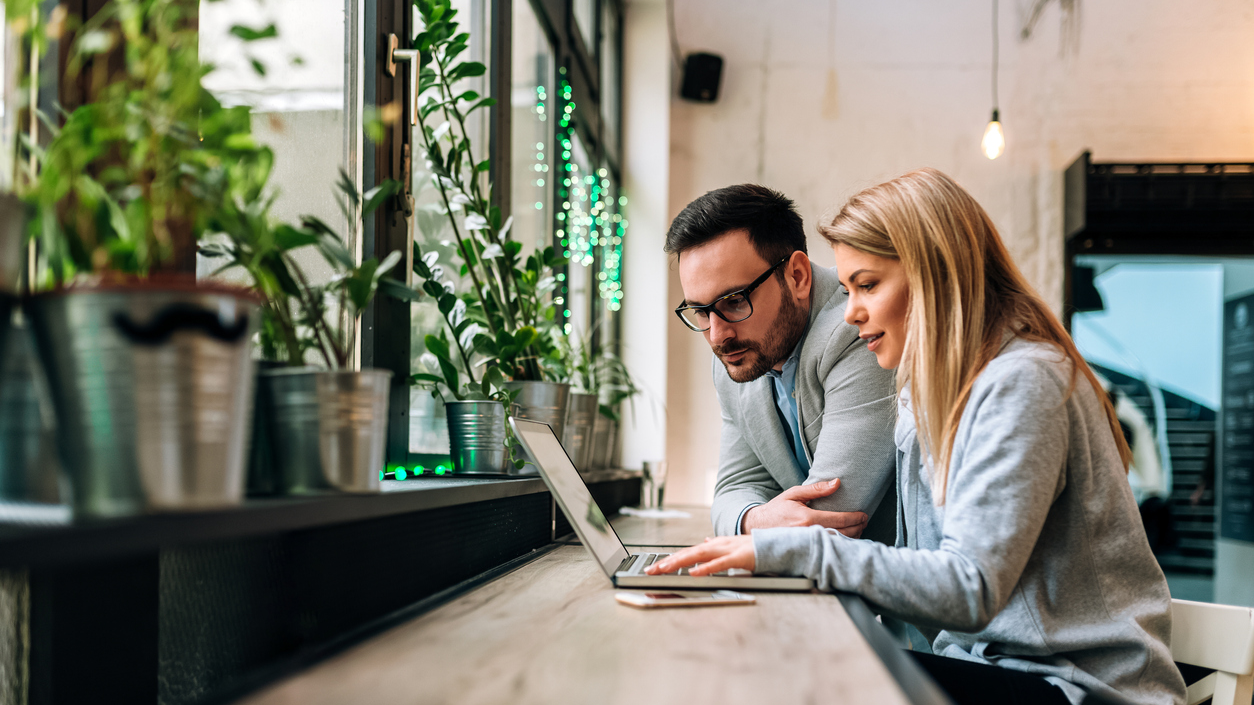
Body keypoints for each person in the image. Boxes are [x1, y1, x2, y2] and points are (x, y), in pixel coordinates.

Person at [650, 169, 1187, 705]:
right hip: (990, 667)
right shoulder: (930, 393)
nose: (851, 310)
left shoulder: (1023, 381)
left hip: (1078, 687)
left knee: (801, 675)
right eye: (848, 287)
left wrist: (789, 549)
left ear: (937, 277)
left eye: (867, 285)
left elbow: (969, 587)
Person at [666, 184, 898, 541]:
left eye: (734, 301)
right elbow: (733, 489)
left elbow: (831, 517)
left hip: (887, 584)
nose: (716, 336)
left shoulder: (861, 330)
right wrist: (754, 520)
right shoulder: (739, 356)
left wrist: (754, 524)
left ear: (797, 277)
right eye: (700, 311)